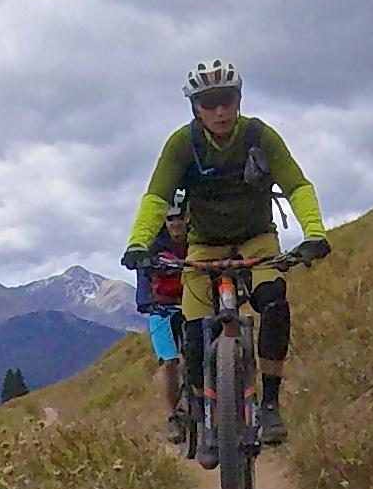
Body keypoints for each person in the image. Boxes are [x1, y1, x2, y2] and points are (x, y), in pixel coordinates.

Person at [121, 59, 330, 446]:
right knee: (196, 332)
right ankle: (203, 413)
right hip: (204, 246)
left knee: (274, 304)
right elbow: (156, 198)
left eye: (227, 100)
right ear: (195, 107)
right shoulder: (182, 144)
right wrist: (138, 242)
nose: (220, 110)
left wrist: (314, 232)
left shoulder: (258, 135)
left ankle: (269, 404)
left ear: (239, 100)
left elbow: (297, 185)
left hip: (256, 238)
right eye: (209, 102)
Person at [137, 200, 190, 442]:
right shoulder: (154, 246)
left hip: (193, 304)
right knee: (169, 362)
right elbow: (142, 272)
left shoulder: (199, 243)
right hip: (162, 308)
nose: (176, 223)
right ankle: (173, 416)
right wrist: (144, 301)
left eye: (180, 217)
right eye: (170, 219)